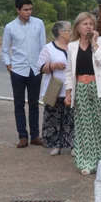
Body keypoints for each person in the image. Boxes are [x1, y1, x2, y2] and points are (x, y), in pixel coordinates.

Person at [65, 12, 101, 175]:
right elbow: (69, 71)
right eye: (85, 24)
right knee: (85, 125)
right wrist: (68, 93)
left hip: (100, 87)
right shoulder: (72, 45)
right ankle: (86, 161)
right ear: (78, 28)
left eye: (91, 24)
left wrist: (94, 43)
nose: (88, 26)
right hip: (81, 87)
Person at [1, 0, 46, 148]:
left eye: (30, 9)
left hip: (35, 70)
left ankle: (35, 135)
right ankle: (22, 136)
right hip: (18, 70)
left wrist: (43, 65)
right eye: (25, 10)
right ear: (18, 10)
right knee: (19, 104)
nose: (28, 12)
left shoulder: (39, 24)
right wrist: (8, 65)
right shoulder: (10, 27)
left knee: (34, 104)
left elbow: (43, 46)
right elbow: (5, 49)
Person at [36, 21, 74, 156]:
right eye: (68, 30)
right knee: (54, 118)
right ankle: (56, 145)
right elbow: (40, 67)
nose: (70, 32)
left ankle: (73, 145)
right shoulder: (48, 48)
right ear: (60, 32)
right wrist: (53, 66)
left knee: (72, 118)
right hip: (55, 89)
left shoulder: (74, 46)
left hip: (72, 89)